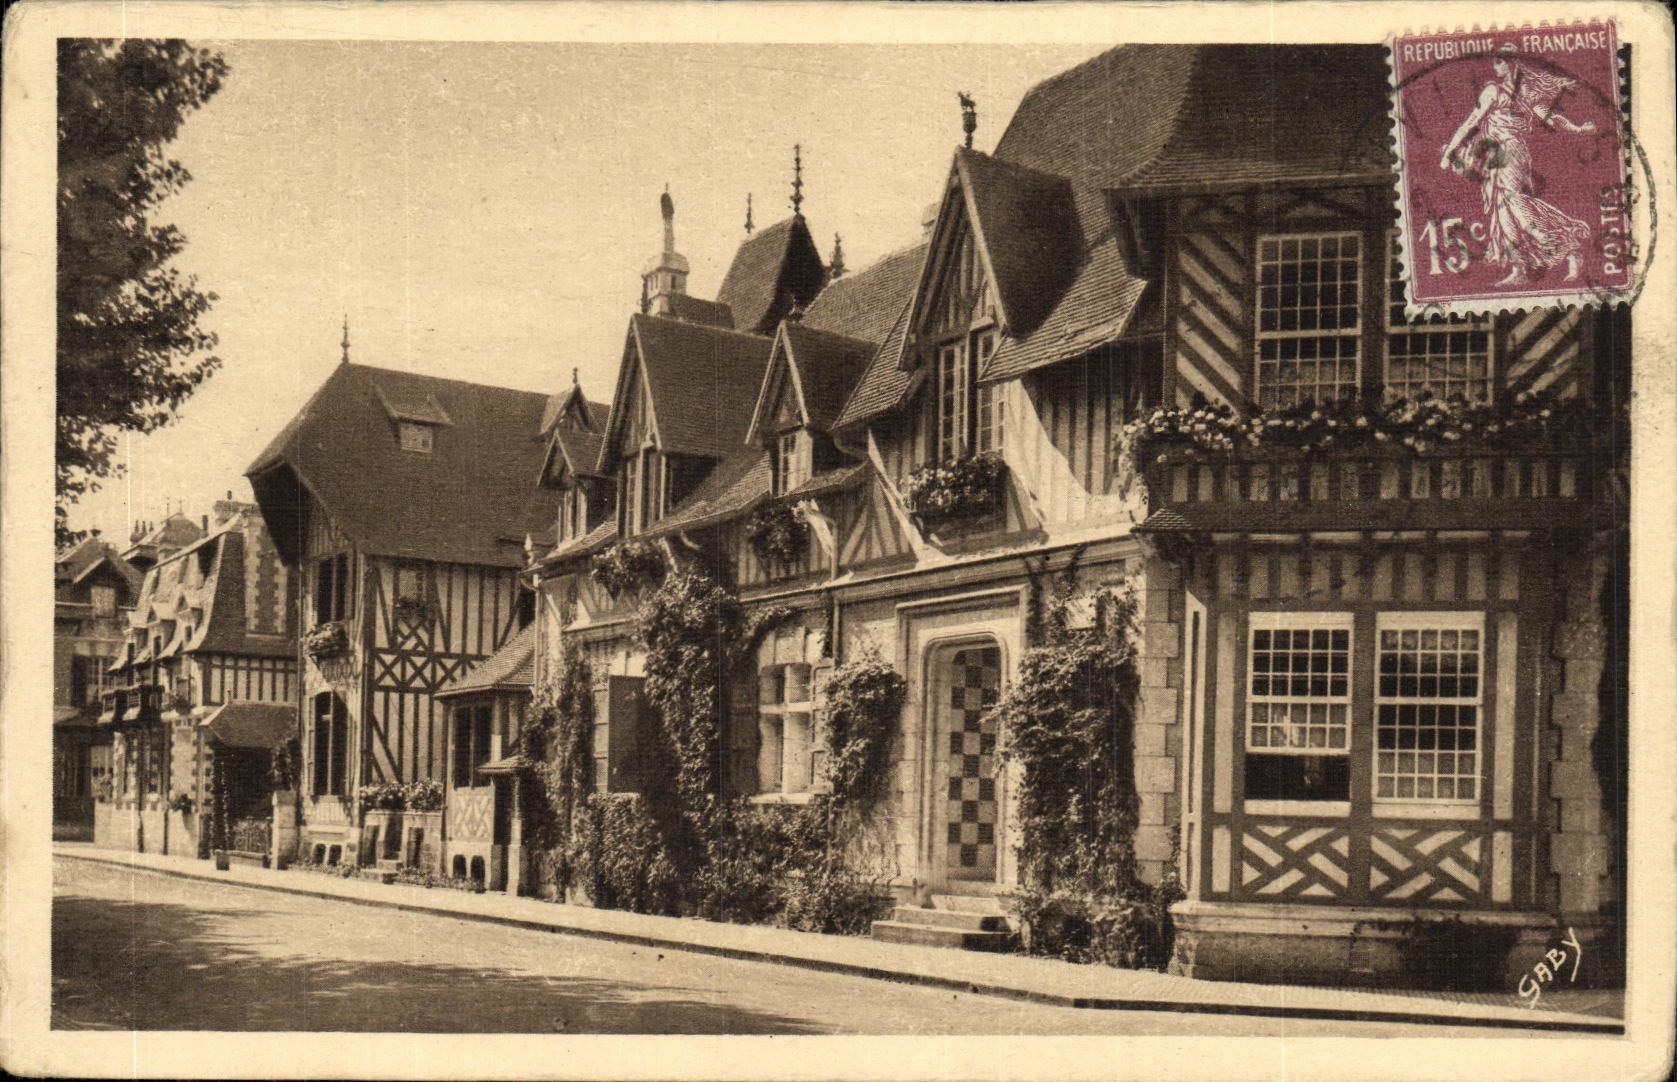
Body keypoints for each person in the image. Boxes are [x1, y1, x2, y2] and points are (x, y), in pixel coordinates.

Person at [1439, 45, 1596, 286]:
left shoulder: (1496, 91)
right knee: (1503, 211)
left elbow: (1471, 122)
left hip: (1509, 152)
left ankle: (1565, 242)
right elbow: (1551, 118)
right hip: (1497, 155)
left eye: (1500, 62)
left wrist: (1449, 152)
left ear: (1512, 62)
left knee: (1515, 203)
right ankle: (1520, 267)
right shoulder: (1524, 91)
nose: (1496, 66)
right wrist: (1576, 128)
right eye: (1495, 62)